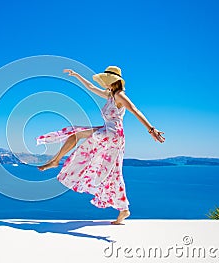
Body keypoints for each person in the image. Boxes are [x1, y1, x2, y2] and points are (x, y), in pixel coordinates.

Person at [35, 66, 165, 225]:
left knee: (81, 138)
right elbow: (90, 87)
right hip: (107, 131)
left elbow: (135, 110)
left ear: (113, 81)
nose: (104, 83)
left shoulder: (120, 96)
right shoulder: (110, 95)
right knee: (112, 170)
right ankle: (123, 209)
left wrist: (151, 129)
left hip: (114, 135)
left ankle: (56, 161)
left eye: (106, 80)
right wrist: (76, 75)